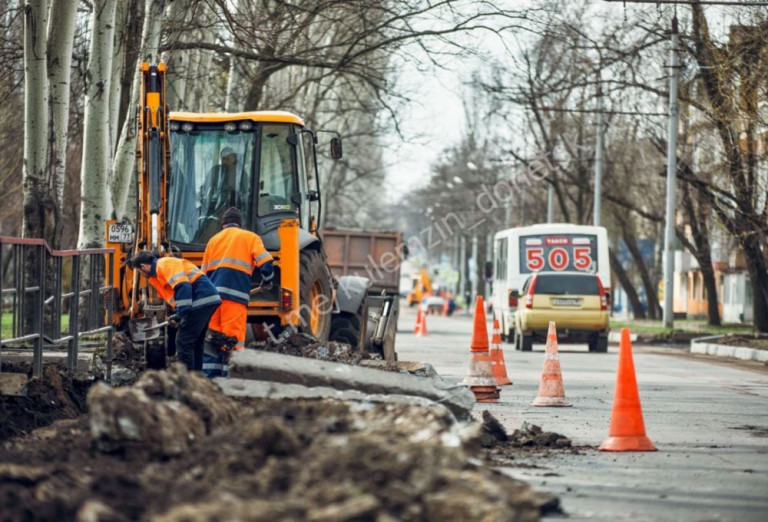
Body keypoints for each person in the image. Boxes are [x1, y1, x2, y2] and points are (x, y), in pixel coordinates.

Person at [201, 207, 274, 377]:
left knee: (212, 340)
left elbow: (202, 275)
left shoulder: (213, 240)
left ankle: (209, 380)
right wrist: (268, 279)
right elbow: (266, 263)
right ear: (240, 224)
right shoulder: (250, 237)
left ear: (223, 224)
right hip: (234, 299)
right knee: (232, 340)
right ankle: (231, 379)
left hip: (212, 300)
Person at [129, 251, 221, 372]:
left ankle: (188, 381)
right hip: (205, 300)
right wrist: (177, 314)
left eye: (139, 271)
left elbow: (183, 286)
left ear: (144, 266)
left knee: (183, 342)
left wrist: (181, 312)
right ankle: (197, 379)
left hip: (200, 300)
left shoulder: (164, 265)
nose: (141, 274)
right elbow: (174, 295)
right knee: (195, 341)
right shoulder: (158, 273)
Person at [205, 147, 242, 216]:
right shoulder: (215, 171)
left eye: (227, 159)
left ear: (234, 159)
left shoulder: (240, 173)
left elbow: (245, 193)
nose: (225, 162)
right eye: (223, 159)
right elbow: (206, 187)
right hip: (216, 206)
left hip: (235, 207)